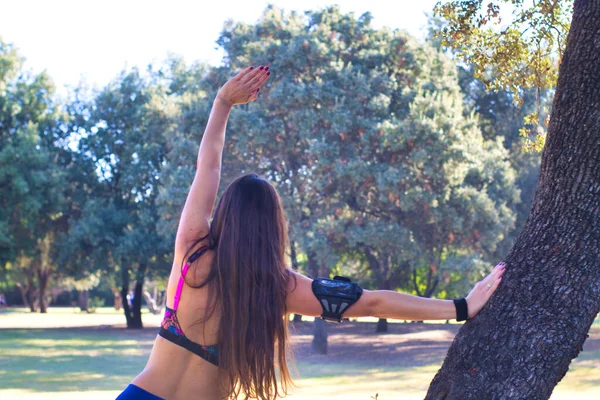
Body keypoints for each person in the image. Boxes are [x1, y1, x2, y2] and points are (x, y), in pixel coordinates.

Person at [116, 66, 506, 400]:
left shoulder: (193, 255)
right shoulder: (280, 288)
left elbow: (208, 169)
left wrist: (222, 103)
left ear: (224, 216)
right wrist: (461, 307)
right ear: (273, 228)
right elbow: (373, 304)